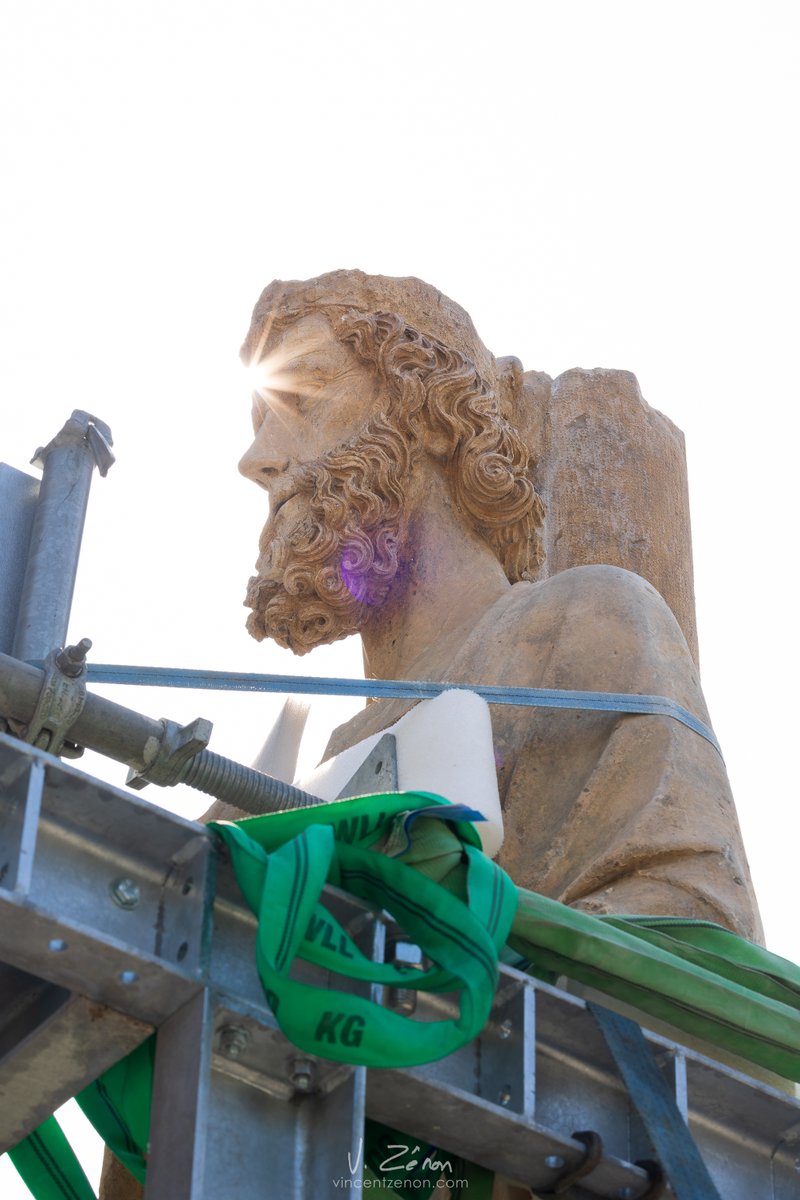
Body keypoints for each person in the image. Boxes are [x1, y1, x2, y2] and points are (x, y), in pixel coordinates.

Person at [238, 269, 762, 942]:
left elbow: (690, 919)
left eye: (305, 393)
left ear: (429, 410)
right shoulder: (318, 754)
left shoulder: (583, 620)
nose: (256, 459)